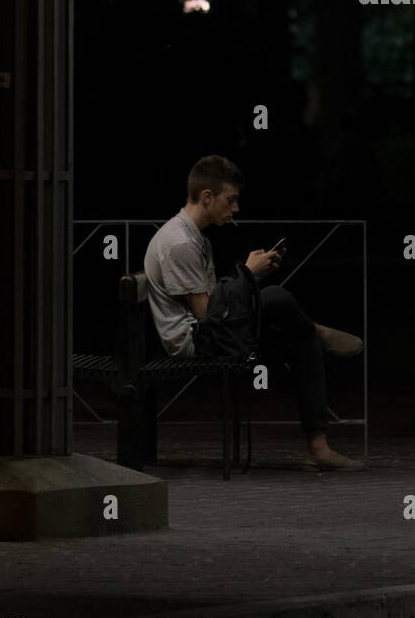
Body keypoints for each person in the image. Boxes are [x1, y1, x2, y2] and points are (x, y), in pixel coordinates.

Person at [143, 154, 365, 471]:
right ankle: (314, 329)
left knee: (300, 341)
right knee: (276, 297)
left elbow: (216, 302)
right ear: (207, 197)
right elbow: (206, 312)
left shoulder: (195, 237)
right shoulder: (179, 243)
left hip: (209, 332)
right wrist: (247, 275)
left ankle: (319, 447)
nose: (236, 209)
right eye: (230, 200)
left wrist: (251, 277)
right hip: (194, 342)